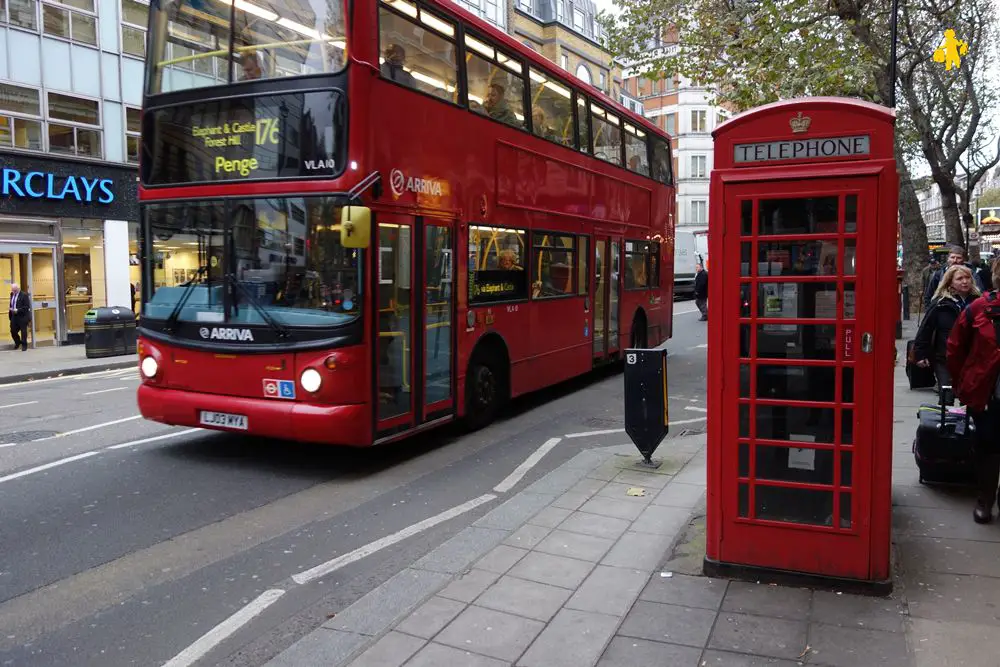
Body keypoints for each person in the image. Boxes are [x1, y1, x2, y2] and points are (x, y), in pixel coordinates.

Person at [946, 258, 1000, 523]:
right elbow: (955, 349)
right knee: (987, 444)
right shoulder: (978, 309)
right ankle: (985, 499)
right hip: (987, 392)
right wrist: (963, 383)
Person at [914, 264, 979, 392]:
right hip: (945, 357)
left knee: (968, 394)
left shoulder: (978, 302)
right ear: (950, 283)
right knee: (947, 394)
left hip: (971, 357)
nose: (965, 281)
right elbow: (926, 329)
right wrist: (920, 354)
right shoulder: (941, 304)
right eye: (959, 279)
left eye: (967, 278)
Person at [8, 283, 30, 351]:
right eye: (12, 290)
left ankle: (24, 345)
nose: (13, 292)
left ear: (18, 289)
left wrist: (17, 310)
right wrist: (11, 309)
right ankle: (18, 342)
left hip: (22, 316)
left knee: (23, 331)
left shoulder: (24, 295)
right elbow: (12, 303)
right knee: (13, 330)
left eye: (15, 290)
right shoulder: (12, 294)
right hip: (14, 316)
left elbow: (26, 307)